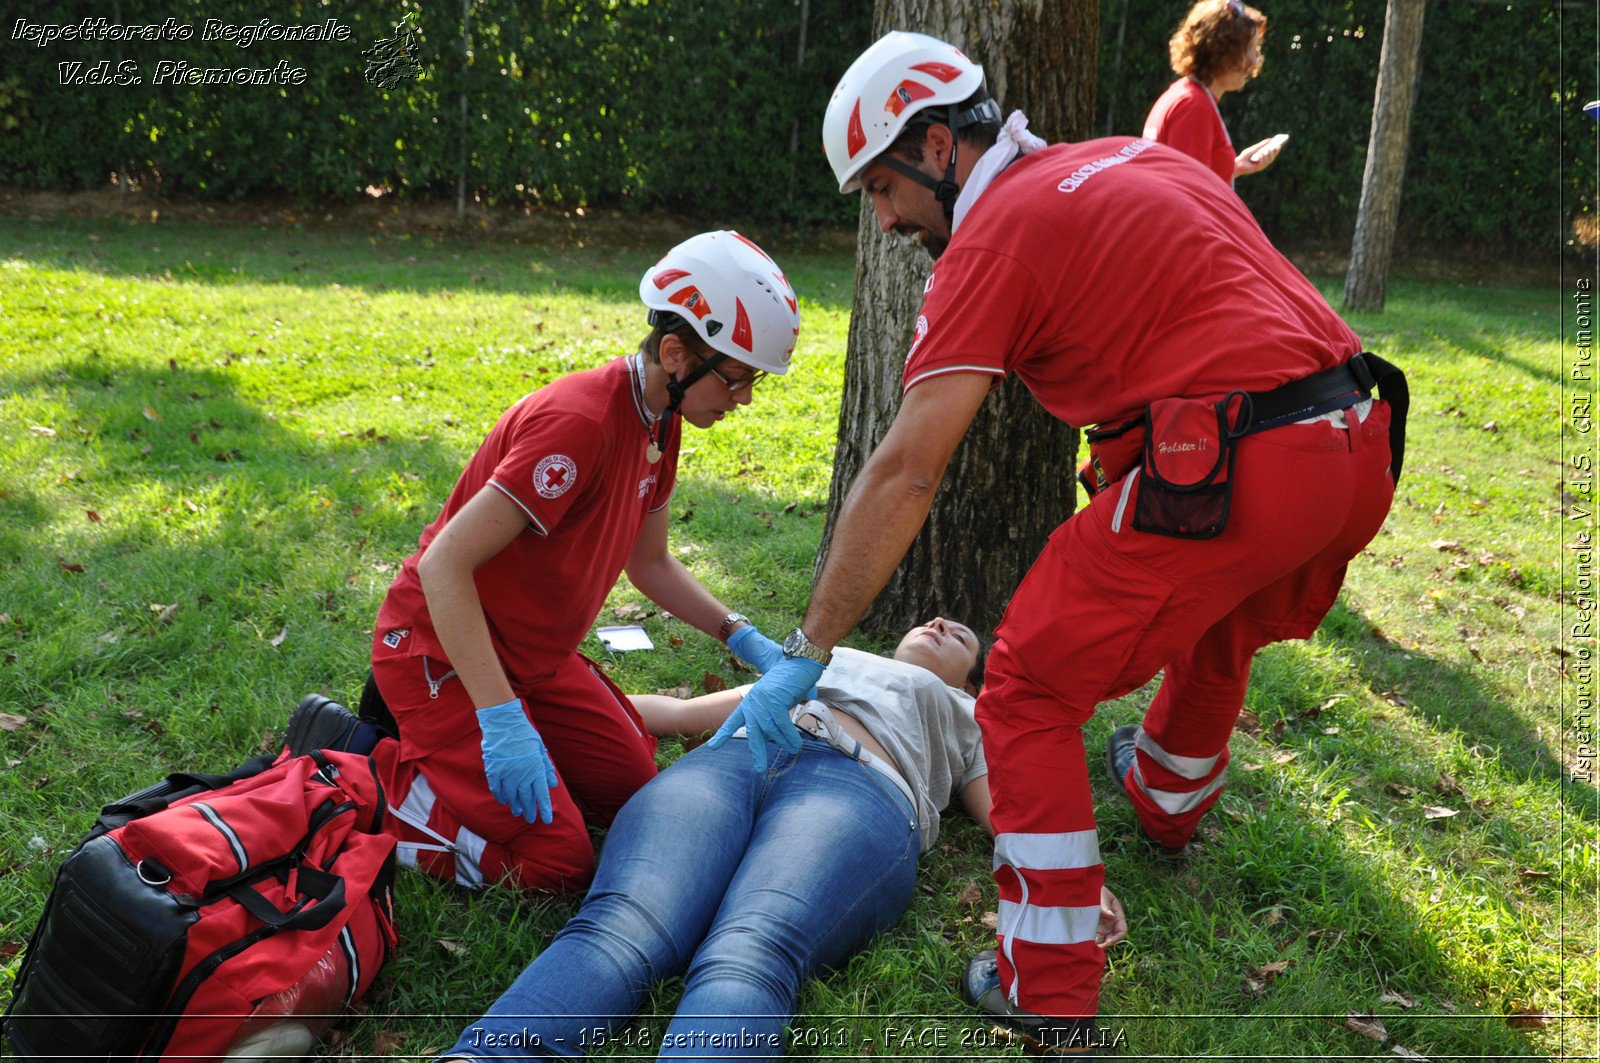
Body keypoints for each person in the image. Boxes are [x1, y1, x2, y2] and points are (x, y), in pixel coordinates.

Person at [712, 30, 1407, 1054]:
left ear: (940, 148)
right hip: (1358, 440)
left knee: (1027, 685)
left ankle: (1049, 991)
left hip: (1241, 460)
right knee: (1215, 615)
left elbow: (907, 469)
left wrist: (811, 647)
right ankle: (1167, 799)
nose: (887, 218)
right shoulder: (1136, 157)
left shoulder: (992, 240)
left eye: (881, 188)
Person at [433, 617, 1128, 1061]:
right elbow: (673, 715)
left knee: (750, 950)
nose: (943, 622)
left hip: (862, 790)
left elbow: (1005, 813)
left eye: (961, 635)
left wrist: (1077, 886)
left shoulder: (968, 712)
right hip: (732, 757)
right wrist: (506, 715)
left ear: (969, 675)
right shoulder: (832, 654)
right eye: (931, 619)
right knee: (620, 922)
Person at [359, 230, 803, 894]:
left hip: (533, 661)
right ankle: (373, 780)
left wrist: (743, 637)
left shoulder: (663, 419)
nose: (743, 399)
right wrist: (499, 717)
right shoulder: (581, 423)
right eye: (737, 378)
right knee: (559, 863)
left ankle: (478, 745)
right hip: (439, 653)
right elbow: (443, 565)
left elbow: (648, 563)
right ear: (677, 353)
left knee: (635, 794)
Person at [1143, 0, 1286, 186]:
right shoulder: (1193, 107)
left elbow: (1192, 174)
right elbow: (1189, 192)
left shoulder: (1185, 95)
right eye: (1249, 49)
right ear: (1222, 52)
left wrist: (1237, 167)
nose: (1255, 61)